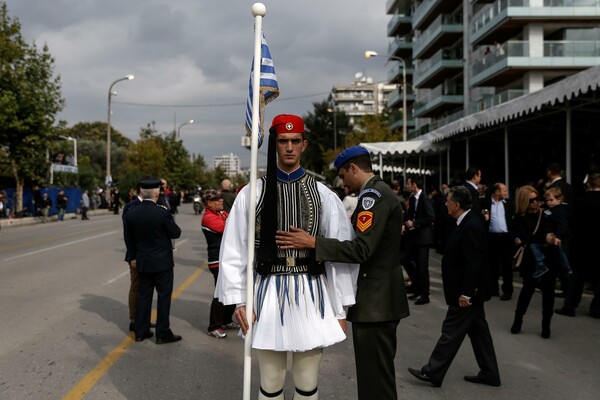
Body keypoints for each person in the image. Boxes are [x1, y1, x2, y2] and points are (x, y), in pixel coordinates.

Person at [216, 114, 357, 400]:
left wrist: (341, 307)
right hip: (266, 292)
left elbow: (340, 251)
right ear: (274, 145)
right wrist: (239, 301)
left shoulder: (324, 195)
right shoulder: (252, 193)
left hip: (312, 292)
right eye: (283, 141)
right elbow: (234, 249)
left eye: (295, 141)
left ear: (304, 144)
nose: (289, 147)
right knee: (270, 383)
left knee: (307, 384)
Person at [275, 145, 409, 400]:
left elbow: (362, 249)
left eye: (342, 174)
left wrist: (314, 243)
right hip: (379, 301)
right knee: (377, 377)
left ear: (353, 168)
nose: (342, 180)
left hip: (376, 303)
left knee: (375, 381)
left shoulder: (373, 197)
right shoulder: (380, 193)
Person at [407, 185, 500, 388]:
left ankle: (433, 371)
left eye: (448, 201)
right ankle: (490, 372)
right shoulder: (464, 221)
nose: (445, 203)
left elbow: (474, 263)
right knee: (479, 332)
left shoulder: (471, 225)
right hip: (467, 290)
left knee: (451, 330)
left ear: (457, 205)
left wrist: (467, 293)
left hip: (466, 292)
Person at [124, 178, 182, 344]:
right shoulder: (162, 212)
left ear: (141, 193)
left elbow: (129, 240)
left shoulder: (131, 213)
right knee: (163, 297)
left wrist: (133, 257)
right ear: (157, 194)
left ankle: (141, 332)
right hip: (162, 263)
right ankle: (162, 333)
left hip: (143, 262)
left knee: (144, 297)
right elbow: (175, 233)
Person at [510, 185, 556, 338]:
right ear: (524, 201)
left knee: (549, 294)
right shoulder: (519, 217)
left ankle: (546, 326)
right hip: (530, 260)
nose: (536, 202)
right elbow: (524, 237)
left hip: (548, 258)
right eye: (532, 200)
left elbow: (553, 232)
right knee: (526, 292)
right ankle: (517, 321)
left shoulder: (546, 214)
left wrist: (544, 238)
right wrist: (543, 238)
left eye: (537, 199)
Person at [556, 172, 600, 318]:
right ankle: (597, 308)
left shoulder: (582, 201)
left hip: (581, 244)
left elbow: (573, 222)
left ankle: (570, 306)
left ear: (589, 184)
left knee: (576, 277)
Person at [201, 189, 238, 338]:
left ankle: (226, 320)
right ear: (209, 203)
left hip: (227, 258)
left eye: (221, 198)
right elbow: (230, 228)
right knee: (220, 293)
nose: (221, 200)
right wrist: (231, 221)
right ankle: (214, 326)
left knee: (232, 290)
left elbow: (234, 220)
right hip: (218, 260)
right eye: (217, 199)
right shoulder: (208, 217)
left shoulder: (220, 214)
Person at [403, 175, 435, 305]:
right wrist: (405, 223)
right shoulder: (412, 198)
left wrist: (415, 223)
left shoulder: (425, 199)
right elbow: (408, 215)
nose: (407, 185)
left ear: (414, 185)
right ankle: (416, 287)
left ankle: (424, 294)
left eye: (409, 183)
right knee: (406, 260)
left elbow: (431, 217)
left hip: (423, 238)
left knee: (422, 266)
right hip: (413, 237)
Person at [530, 187, 572, 279]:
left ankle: (567, 267)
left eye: (551, 200)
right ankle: (540, 264)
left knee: (561, 250)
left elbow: (563, 224)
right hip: (549, 236)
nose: (549, 202)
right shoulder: (549, 209)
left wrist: (559, 236)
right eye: (547, 200)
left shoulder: (560, 210)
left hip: (557, 236)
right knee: (534, 245)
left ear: (559, 199)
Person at [482, 182, 514, 300]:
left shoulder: (508, 203)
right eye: (504, 190)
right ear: (496, 192)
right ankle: (493, 288)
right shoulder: (485, 203)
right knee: (492, 265)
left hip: (506, 238)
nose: (506, 192)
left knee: (507, 265)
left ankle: (507, 290)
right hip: (492, 237)